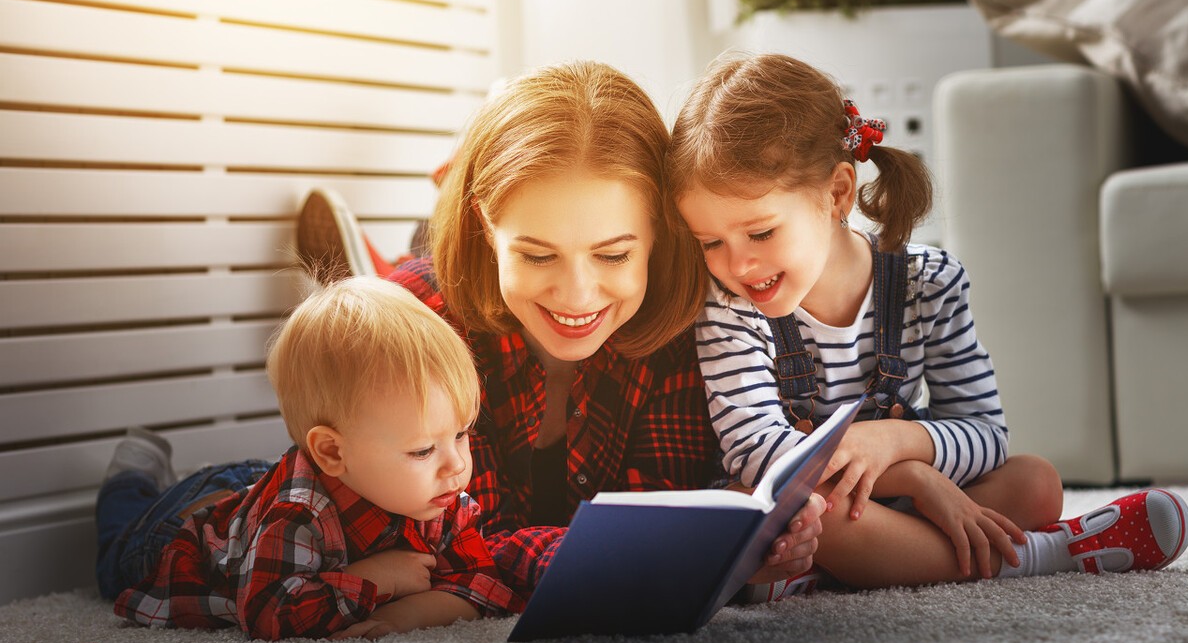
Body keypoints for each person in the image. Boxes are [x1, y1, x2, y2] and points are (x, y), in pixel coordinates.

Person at [296, 60, 825, 603]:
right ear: (486, 224)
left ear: (659, 236)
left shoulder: (682, 324)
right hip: (284, 504)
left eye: (614, 254)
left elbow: (658, 508)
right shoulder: (425, 326)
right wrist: (658, 554)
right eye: (538, 255)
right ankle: (371, 271)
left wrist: (732, 542)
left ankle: (376, 258)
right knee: (221, 503)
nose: (576, 295)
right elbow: (464, 548)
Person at [665, 52, 1188, 589]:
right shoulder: (728, 307)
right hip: (812, 503)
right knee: (776, 509)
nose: (738, 264)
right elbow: (758, 453)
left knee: (1035, 482)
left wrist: (896, 442)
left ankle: (848, 568)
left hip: (880, 503)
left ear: (837, 193)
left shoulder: (929, 282)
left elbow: (986, 434)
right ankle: (1050, 553)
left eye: (759, 233)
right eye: (710, 242)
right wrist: (915, 478)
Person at [94, 277, 519, 640]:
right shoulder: (298, 515)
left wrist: (402, 615)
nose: (457, 465)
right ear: (333, 451)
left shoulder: (440, 496)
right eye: (423, 449)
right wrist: (373, 579)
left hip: (266, 484)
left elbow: (483, 584)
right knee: (116, 561)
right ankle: (130, 478)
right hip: (180, 531)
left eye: (462, 433)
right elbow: (269, 614)